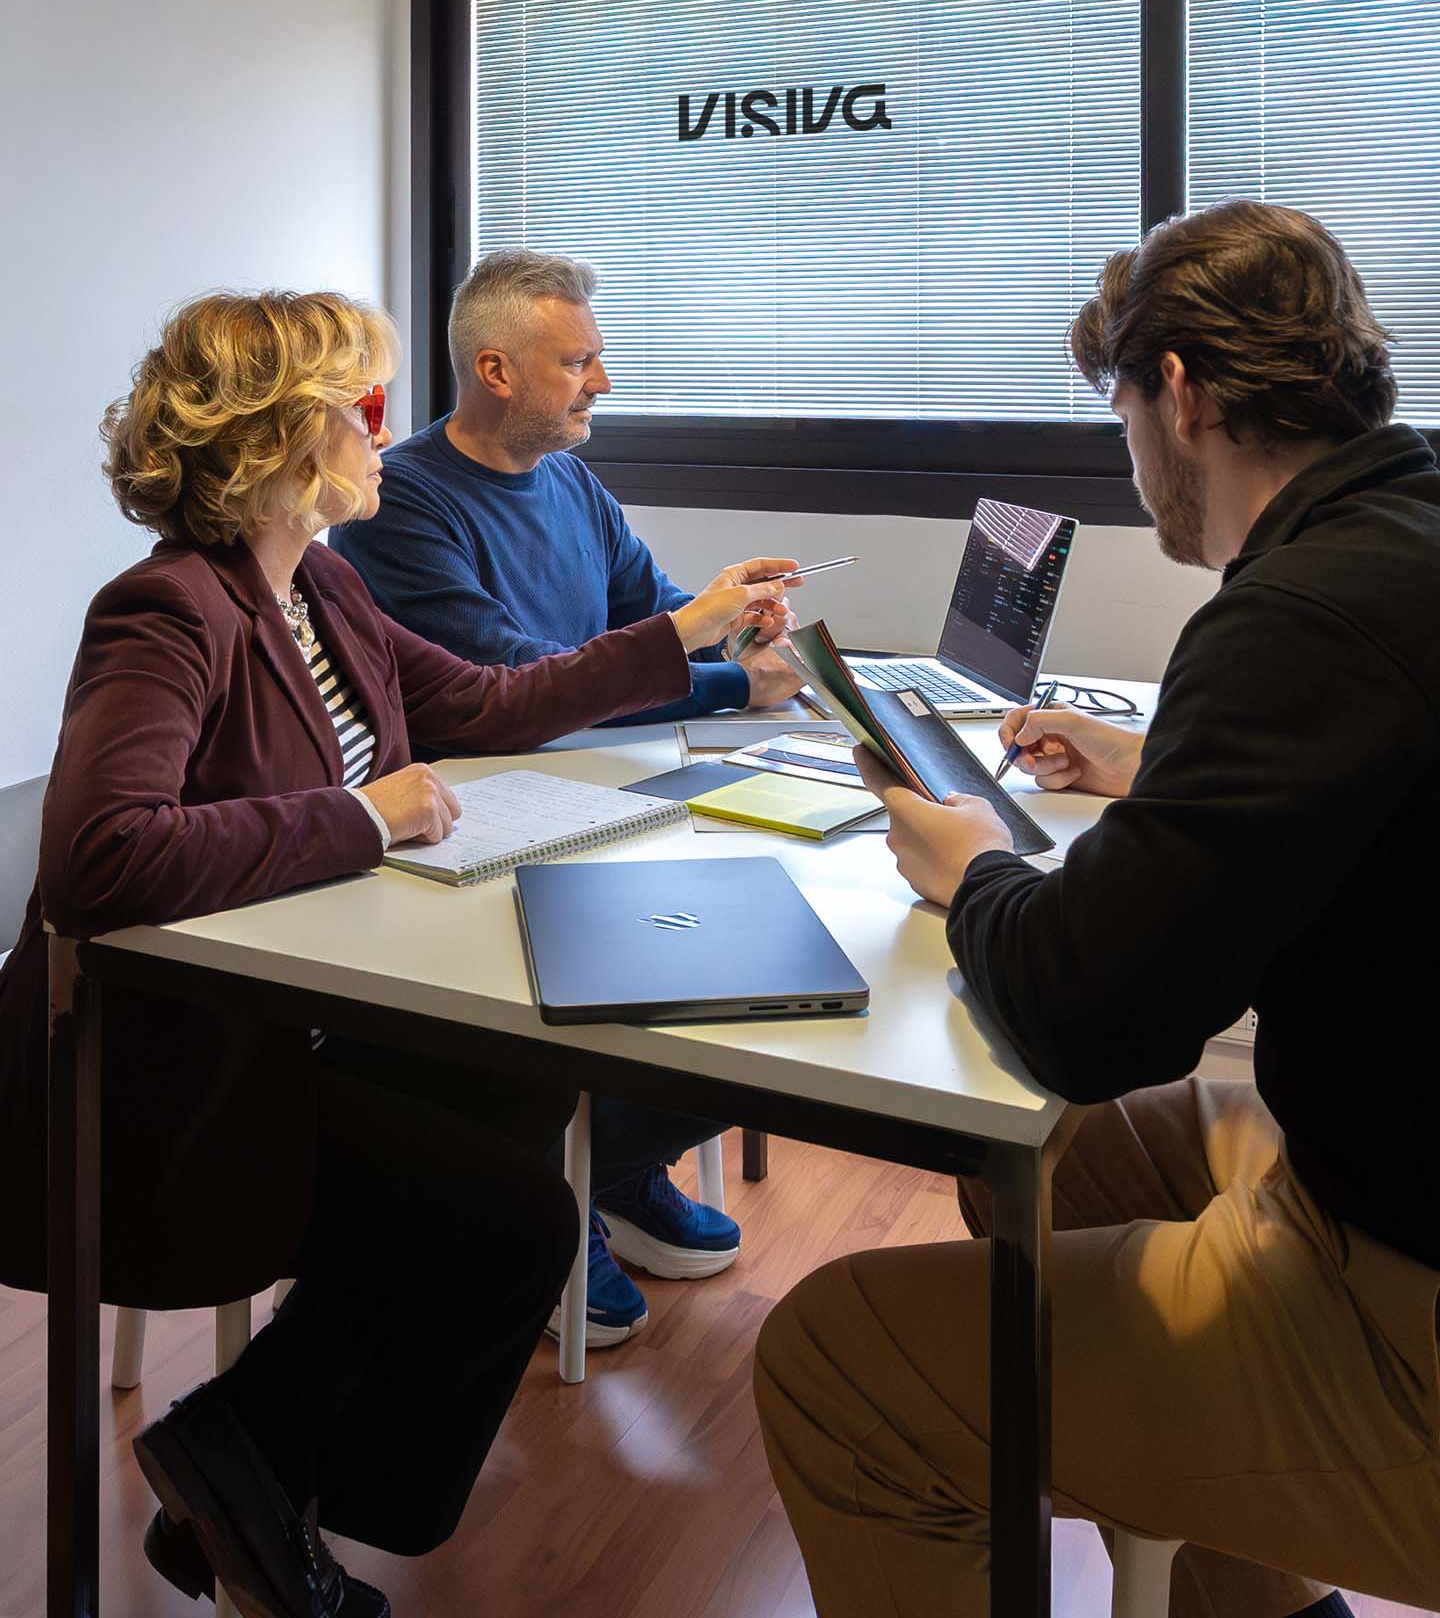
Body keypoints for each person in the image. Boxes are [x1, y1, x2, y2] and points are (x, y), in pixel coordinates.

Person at [0, 291, 788, 1618]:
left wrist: (680, 635)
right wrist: (363, 814)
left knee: (527, 1081)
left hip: (271, 1028)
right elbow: (101, 858)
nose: (387, 435)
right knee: (510, 1217)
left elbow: (480, 703)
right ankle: (268, 1494)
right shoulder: (166, 612)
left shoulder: (316, 585)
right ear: (283, 439)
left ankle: (244, 1473)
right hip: (153, 1090)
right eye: (363, 412)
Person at [753, 201, 1440, 1618]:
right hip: (1383, 1157)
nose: (1126, 462)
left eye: (1119, 413)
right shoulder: (1399, 543)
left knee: (839, 1364)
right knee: (1080, 1167)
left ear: (1177, 394)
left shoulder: (1298, 615)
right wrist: (1164, 771)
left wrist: (972, 873)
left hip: (1412, 1301)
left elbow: (1084, 1017)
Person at [330, 248, 806, 1343]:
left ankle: (618, 1161)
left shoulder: (572, 480)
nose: (602, 382)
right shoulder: (401, 504)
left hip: (593, 794)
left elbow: (644, 611)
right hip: (482, 826)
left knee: (759, 964)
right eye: (578, 362)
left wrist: (733, 619)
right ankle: (564, 1187)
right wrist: (731, 677)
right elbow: (523, 687)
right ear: (496, 369)